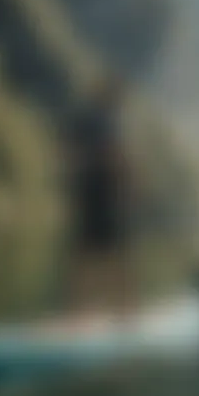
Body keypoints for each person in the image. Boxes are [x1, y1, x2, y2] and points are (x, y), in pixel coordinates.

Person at [64, 73, 138, 319]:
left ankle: (79, 311)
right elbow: (114, 156)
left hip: (86, 193)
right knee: (117, 252)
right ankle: (125, 311)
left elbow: (69, 156)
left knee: (84, 253)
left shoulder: (80, 120)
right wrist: (129, 187)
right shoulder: (106, 122)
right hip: (105, 194)